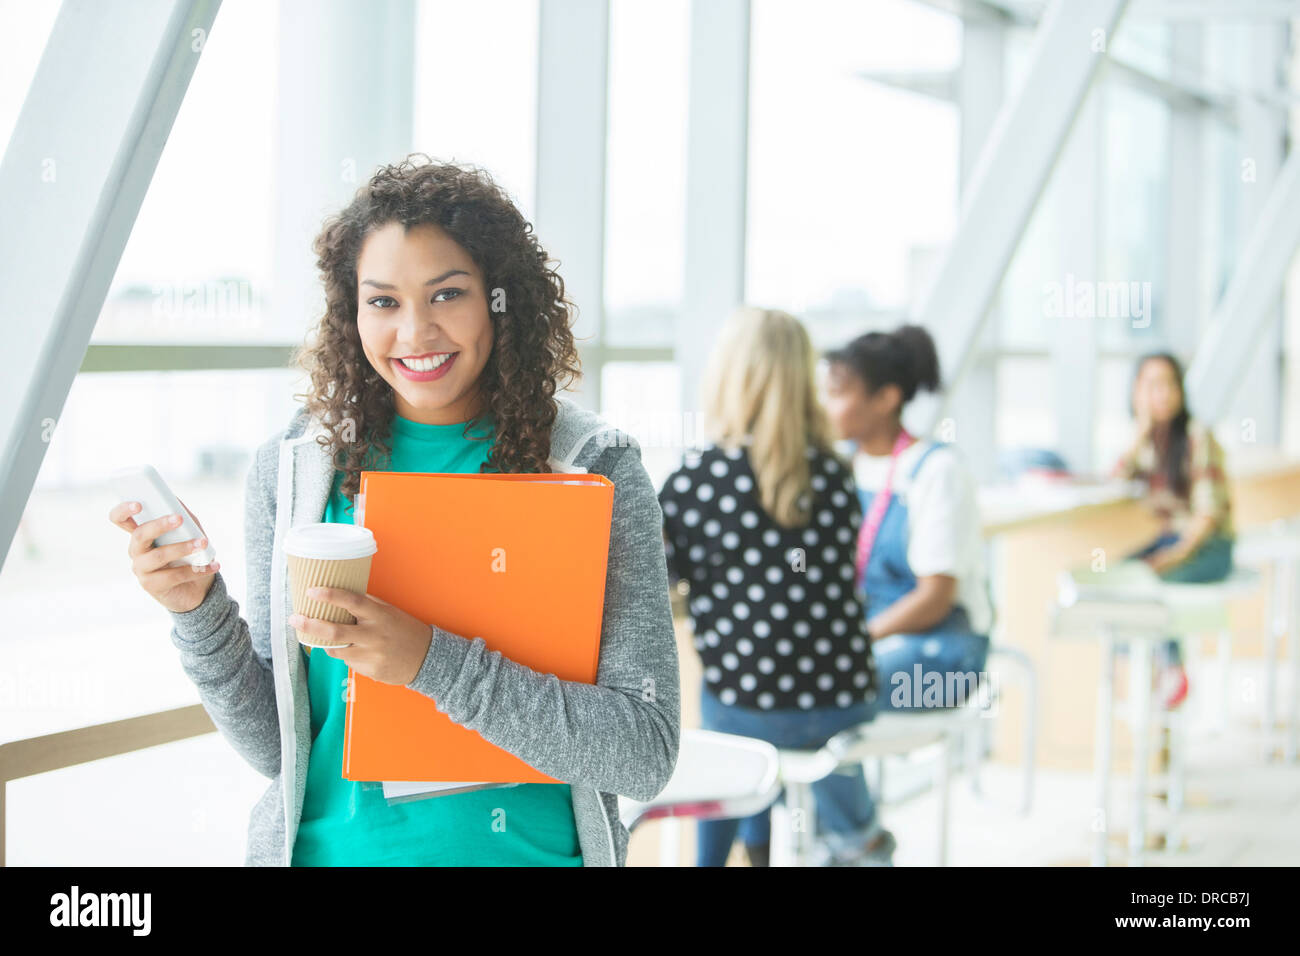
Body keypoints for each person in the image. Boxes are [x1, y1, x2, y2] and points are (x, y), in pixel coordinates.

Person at [108, 155, 680, 867]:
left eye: (447, 295)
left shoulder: (592, 466)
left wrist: (428, 662)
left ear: (502, 299)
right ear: (351, 312)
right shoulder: (296, 470)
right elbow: (278, 746)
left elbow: (643, 752)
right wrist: (198, 611)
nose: (415, 333)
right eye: (383, 301)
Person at [659, 306, 893, 867]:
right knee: (795, 737)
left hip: (749, 706)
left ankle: (722, 856)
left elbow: (661, 587)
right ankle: (855, 842)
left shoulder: (696, 478)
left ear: (728, 377)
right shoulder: (837, 474)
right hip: (842, 698)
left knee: (729, 725)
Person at [822, 325, 992, 713]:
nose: (825, 407)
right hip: (869, 637)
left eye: (837, 394)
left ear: (886, 398)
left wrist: (854, 641)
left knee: (830, 690)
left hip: (945, 652)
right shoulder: (843, 467)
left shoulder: (937, 471)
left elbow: (934, 599)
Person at [1112, 351, 1234, 709]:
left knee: (1151, 584)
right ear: (1137, 392)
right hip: (1172, 539)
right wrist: (1140, 432)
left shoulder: (1198, 437)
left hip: (1209, 546)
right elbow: (1115, 481)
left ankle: (1171, 669)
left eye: (1169, 385)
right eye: (1152, 386)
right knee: (1120, 576)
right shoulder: (1148, 442)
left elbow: (1208, 514)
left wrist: (1173, 555)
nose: (1163, 394)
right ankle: (1147, 666)